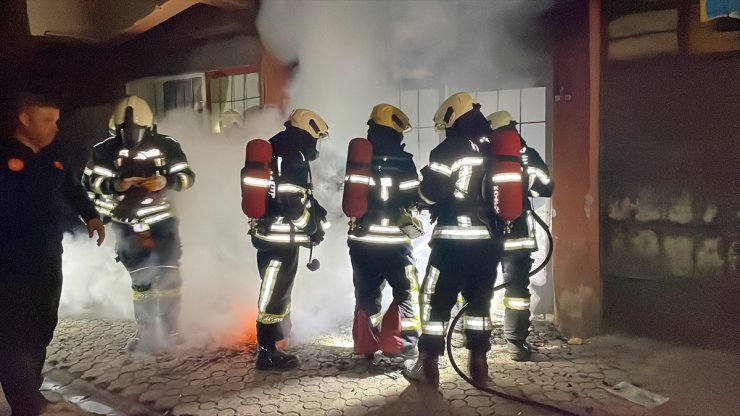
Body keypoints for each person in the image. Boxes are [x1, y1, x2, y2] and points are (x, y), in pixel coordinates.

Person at [0, 93, 106, 416]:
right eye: (48, 121)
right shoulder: (3, 156)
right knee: (15, 331)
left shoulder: (53, 155)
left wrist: (91, 215)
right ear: (24, 119)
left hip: (48, 255)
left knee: (43, 324)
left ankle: (31, 385)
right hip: (9, 263)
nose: (55, 128)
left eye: (57, 120)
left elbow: (71, 186)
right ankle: (26, 402)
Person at [403, 92, 504, 388]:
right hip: (488, 244)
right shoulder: (493, 148)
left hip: (451, 244)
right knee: (480, 306)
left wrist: (418, 198)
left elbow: (430, 193)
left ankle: (428, 364)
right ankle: (479, 366)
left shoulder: (447, 149)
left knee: (435, 301)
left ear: (451, 117)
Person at [83, 95, 195, 352]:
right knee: (140, 279)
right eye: (126, 130)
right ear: (117, 128)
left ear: (149, 126)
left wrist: (166, 182)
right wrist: (115, 185)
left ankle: (171, 329)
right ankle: (146, 332)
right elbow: (88, 183)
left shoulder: (167, 146)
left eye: (137, 129)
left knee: (168, 273)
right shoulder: (103, 150)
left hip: (162, 221)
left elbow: (187, 177)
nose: (131, 134)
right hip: (126, 222)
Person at [245, 109, 330, 371]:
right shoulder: (294, 155)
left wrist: (317, 210)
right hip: (281, 237)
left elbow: (294, 194)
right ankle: (267, 351)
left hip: (267, 232)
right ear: (310, 132)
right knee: (274, 291)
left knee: (278, 288)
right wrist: (311, 228)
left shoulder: (275, 148)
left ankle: (279, 336)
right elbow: (291, 201)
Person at [346, 104, 422, 362]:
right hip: (393, 241)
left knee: (365, 292)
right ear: (396, 130)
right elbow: (414, 198)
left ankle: (365, 346)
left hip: (361, 241)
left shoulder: (359, 159)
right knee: (406, 290)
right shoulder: (404, 161)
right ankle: (403, 345)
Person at [488, 110, 553, 361]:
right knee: (516, 290)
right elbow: (546, 188)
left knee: (475, 284)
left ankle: (465, 336)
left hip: (487, 234)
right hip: (519, 235)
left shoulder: (485, 155)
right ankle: (515, 344)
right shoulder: (528, 155)